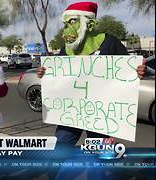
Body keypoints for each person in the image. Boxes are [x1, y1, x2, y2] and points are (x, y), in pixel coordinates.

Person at [37, 1, 147, 146]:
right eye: (65, 23)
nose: (66, 29)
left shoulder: (110, 42)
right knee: (60, 149)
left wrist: (138, 72)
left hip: (100, 116)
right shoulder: (67, 48)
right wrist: (45, 74)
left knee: (99, 157)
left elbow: (128, 71)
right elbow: (58, 75)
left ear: (89, 24)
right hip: (71, 113)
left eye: (72, 21)